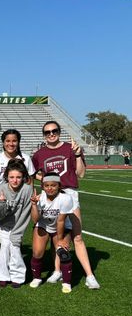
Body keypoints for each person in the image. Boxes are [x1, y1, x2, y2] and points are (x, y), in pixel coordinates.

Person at [32, 121, 100, 289]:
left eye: (54, 131)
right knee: (56, 235)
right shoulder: (39, 154)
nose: (51, 134)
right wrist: (49, 181)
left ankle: (90, 276)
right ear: (44, 135)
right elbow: (33, 174)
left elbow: (81, 174)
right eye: (47, 132)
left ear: (59, 132)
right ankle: (57, 271)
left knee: (77, 237)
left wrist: (77, 155)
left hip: (69, 194)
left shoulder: (71, 149)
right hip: (50, 195)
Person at [0, 159, 33, 287]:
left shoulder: (27, 190)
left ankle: (17, 277)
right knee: (5, 246)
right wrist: (2, 204)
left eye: (18, 177)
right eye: (12, 177)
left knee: (14, 247)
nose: (15, 180)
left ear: (24, 177)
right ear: (6, 177)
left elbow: (25, 213)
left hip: (18, 224)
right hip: (2, 224)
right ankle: (3, 276)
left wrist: (17, 232)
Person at [29, 173, 75, 293]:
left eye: (53, 185)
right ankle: (37, 278)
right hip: (43, 225)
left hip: (62, 227)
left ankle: (66, 282)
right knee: (37, 253)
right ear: (43, 186)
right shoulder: (39, 198)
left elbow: (61, 221)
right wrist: (34, 205)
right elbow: (35, 220)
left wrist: (60, 240)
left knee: (62, 251)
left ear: (59, 186)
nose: (50, 188)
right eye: (47, 185)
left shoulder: (65, 198)